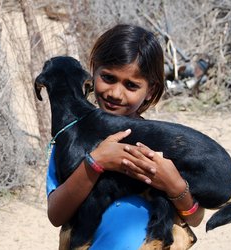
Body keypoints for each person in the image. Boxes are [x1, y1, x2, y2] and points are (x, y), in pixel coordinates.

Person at [46, 24, 205, 249]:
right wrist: (95, 163)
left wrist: (175, 184)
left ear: (150, 90)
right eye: (108, 78)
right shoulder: (71, 140)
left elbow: (195, 218)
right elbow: (56, 215)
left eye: (131, 85)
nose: (115, 93)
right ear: (93, 72)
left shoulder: (160, 143)